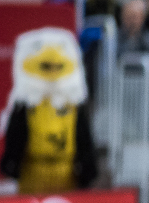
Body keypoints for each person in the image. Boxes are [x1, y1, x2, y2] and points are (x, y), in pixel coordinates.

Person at [1, 27, 97, 194]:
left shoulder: (73, 104)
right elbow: (15, 135)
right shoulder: (26, 103)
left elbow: (83, 137)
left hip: (67, 172)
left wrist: (88, 170)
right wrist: (11, 164)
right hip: (32, 172)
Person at [117, 0, 149, 66]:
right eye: (128, 17)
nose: (131, 21)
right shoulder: (114, 38)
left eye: (134, 17)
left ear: (142, 18)